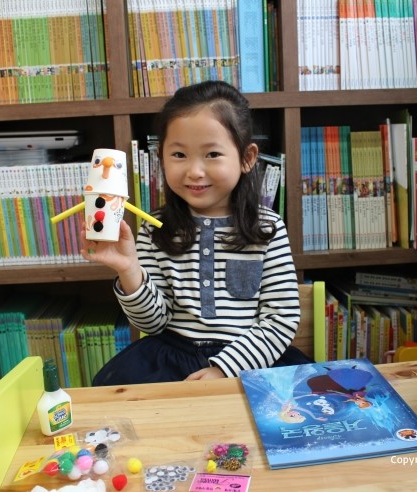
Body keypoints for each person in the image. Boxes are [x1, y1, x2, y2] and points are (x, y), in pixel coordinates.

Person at [82, 80, 311, 385]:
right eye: (179, 155)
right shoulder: (154, 228)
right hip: (169, 359)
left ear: (247, 158)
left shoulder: (268, 228)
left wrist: (225, 369)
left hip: (249, 361)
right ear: (161, 157)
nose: (194, 171)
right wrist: (129, 270)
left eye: (212, 154)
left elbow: (280, 320)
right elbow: (152, 323)